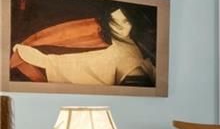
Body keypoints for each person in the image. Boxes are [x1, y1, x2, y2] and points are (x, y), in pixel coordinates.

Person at [12, 8, 156, 86]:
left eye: (125, 21)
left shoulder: (130, 51)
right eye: (114, 22)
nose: (120, 28)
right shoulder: (105, 38)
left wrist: (45, 61)